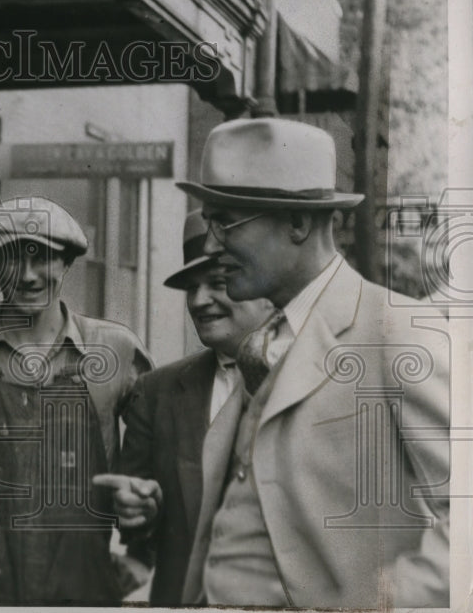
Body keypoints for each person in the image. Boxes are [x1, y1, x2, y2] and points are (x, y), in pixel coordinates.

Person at [177, 118, 450, 608]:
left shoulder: (399, 331)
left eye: (225, 223)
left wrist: (383, 603)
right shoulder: (265, 342)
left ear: (298, 223)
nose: (211, 246)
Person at [0, 196, 153, 606]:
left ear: (66, 264)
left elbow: (157, 463)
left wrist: (141, 555)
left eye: (43, 258)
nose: (27, 276)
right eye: (12, 258)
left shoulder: (117, 351)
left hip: (84, 587)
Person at [107, 209, 274, 605]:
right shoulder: (156, 392)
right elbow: (136, 530)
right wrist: (140, 511)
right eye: (191, 288)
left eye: (218, 283)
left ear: (268, 288)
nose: (199, 301)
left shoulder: (319, 380)